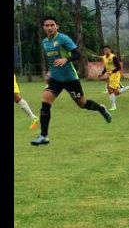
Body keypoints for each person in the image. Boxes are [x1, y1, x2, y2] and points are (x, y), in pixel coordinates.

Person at [30, 16, 112, 146]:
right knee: (45, 102)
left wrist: (65, 60)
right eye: (47, 25)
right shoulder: (45, 42)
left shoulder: (63, 39)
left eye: (52, 25)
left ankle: (101, 108)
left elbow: (77, 54)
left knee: (82, 103)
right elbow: (52, 61)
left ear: (57, 26)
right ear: (43, 28)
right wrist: (49, 72)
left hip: (70, 79)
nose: (50, 27)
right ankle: (43, 136)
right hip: (55, 79)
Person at [93, 45, 129, 111]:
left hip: (116, 75)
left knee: (110, 90)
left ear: (110, 50)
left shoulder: (113, 57)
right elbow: (106, 67)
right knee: (116, 92)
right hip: (110, 75)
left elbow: (119, 67)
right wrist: (102, 73)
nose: (106, 51)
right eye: (104, 50)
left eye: (107, 50)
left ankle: (114, 106)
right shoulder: (104, 57)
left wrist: (112, 71)